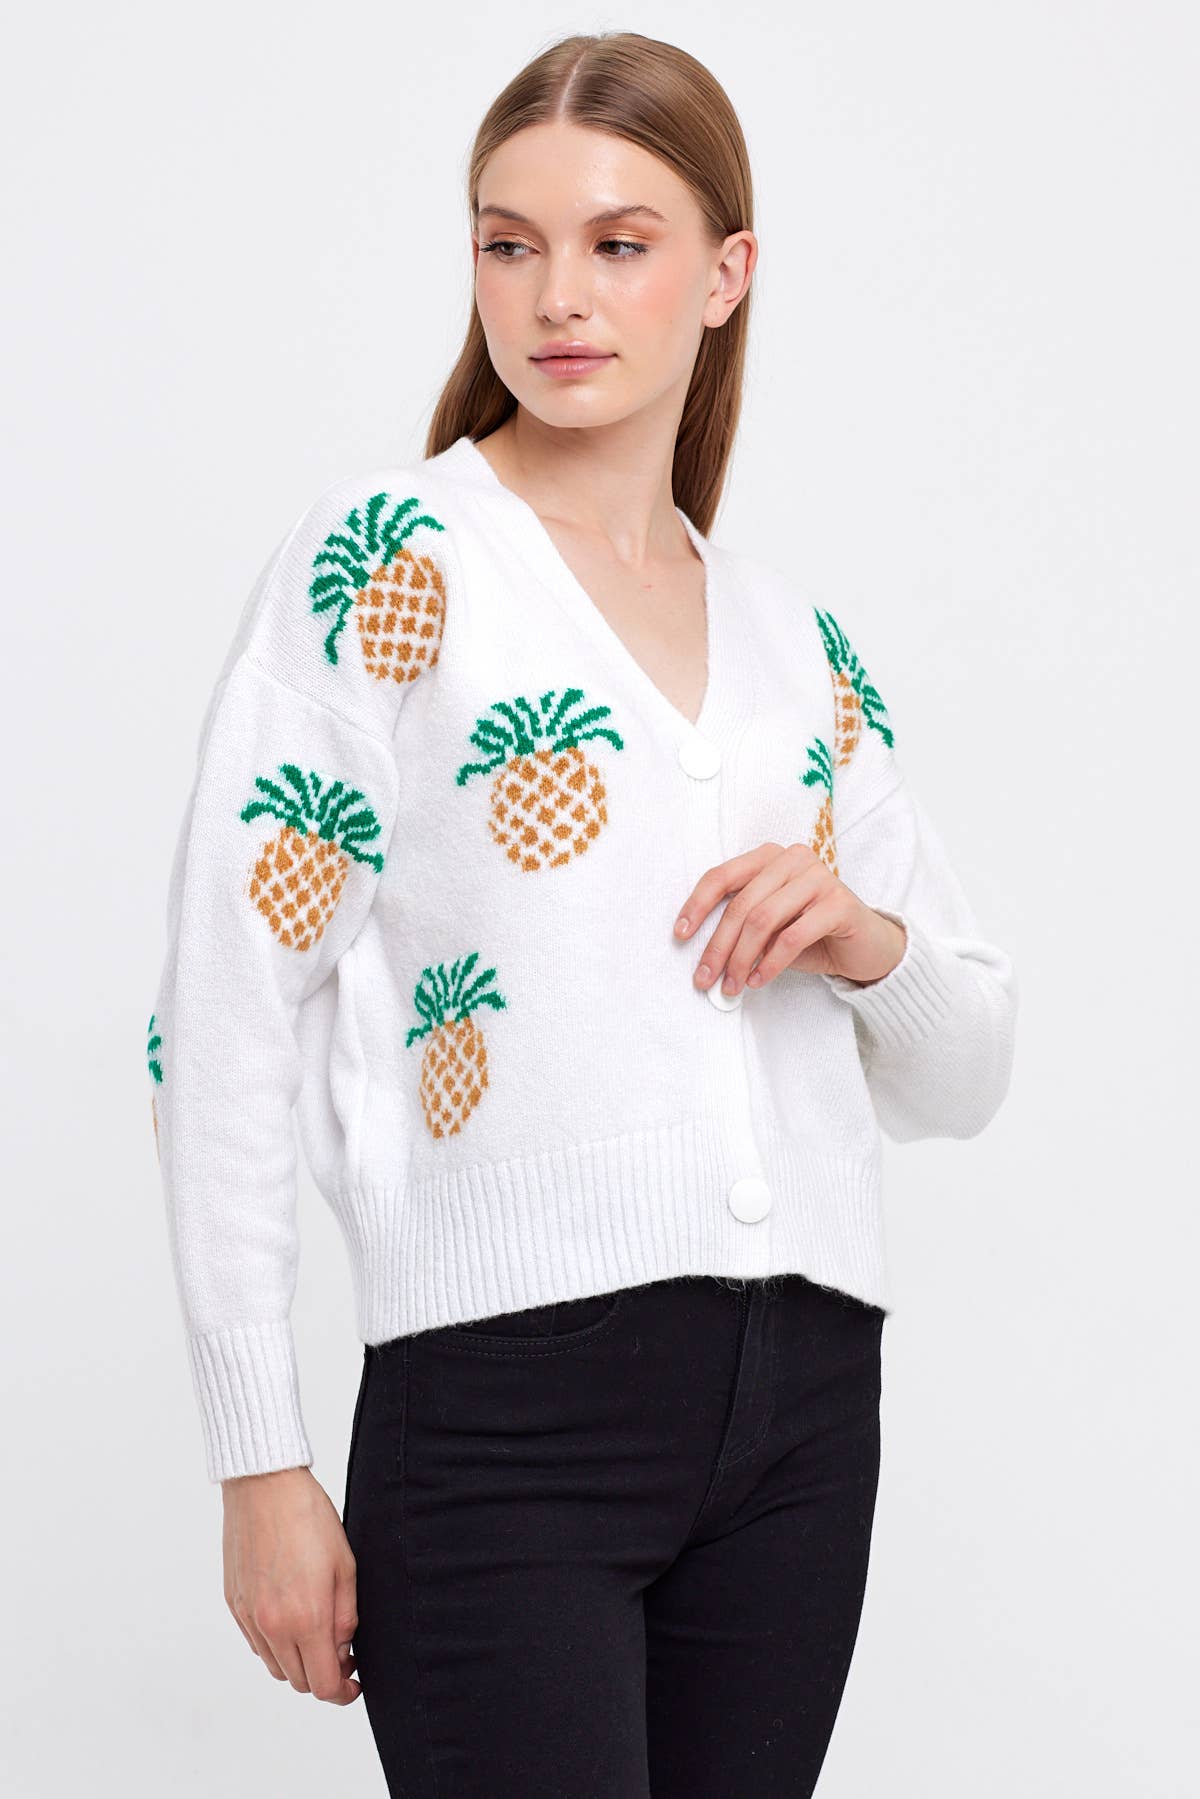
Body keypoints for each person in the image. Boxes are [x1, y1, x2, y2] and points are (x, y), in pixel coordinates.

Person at [146, 30, 1018, 1798]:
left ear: (727, 273)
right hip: (504, 1413)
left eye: (620, 244)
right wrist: (259, 1457)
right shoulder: (390, 563)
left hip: (803, 1413)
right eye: (509, 243)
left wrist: (863, 938)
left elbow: (968, 1068)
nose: (556, 297)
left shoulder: (795, 646)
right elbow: (226, 1008)